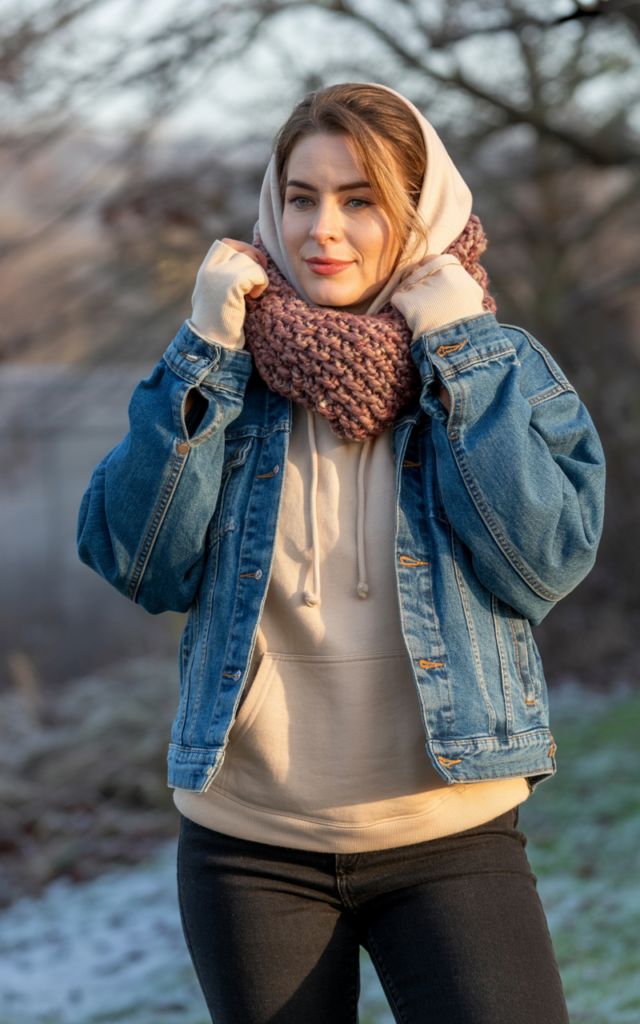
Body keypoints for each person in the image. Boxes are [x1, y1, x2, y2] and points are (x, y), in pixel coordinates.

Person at [78, 83, 605, 1024]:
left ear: (420, 211)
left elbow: (544, 564)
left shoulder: (500, 365)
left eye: (361, 199)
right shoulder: (222, 363)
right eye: (301, 195)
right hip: (249, 849)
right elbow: (138, 561)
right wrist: (203, 346)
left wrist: (460, 349)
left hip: (451, 834)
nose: (324, 227)